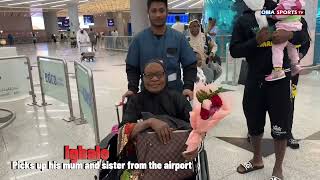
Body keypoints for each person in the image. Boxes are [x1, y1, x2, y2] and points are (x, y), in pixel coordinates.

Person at [230, 0, 308, 179]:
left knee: (280, 124)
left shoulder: (282, 8)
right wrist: (255, 41)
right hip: (254, 79)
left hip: (280, 80)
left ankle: (278, 169)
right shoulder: (245, 18)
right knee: (254, 122)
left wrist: (289, 36)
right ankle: (257, 159)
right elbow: (234, 50)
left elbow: (303, 36)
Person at [120, 60, 199, 164]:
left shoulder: (177, 98)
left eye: (159, 75)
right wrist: (150, 122)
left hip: (177, 160)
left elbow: (197, 129)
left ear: (165, 76)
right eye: (149, 75)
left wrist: (194, 147)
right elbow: (123, 133)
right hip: (143, 161)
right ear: (143, 78)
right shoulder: (135, 100)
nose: (154, 79)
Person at [123, 0, 197, 102]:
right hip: (147, 98)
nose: (158, 15)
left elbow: (190, 65)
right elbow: (132, 67)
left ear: (167, 11)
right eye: (153, 11)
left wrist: (188, 86)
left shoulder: (178, 38)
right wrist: (132, 88)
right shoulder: (138, 40)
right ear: (148, 12)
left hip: (175, 96)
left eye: (161, 10)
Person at [265, 0, 306, 81]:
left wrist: (268, 14)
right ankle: (295, 65)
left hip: (285, 26)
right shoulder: (298, 2)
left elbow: (279, 15)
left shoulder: (286, 3)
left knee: (277, 48)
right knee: (292, 47)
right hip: (296, 25)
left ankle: (277, 70)